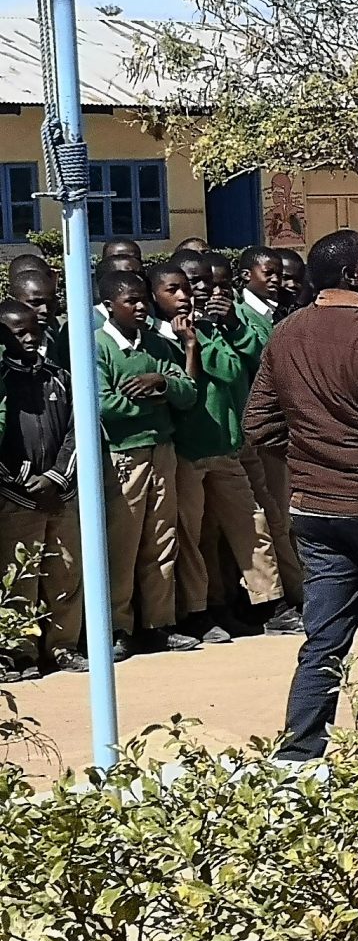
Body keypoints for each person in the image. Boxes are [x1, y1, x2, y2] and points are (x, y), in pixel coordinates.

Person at [245, 232, 358, 761]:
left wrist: (313, 459)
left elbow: (258, 425)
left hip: (314, 508)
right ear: (351, 276)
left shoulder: (287, 331)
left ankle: (300, 751)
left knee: (324, 637)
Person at [168, 258, 275, 644]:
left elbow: (238, 366)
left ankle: (271, 603)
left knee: (252, 523)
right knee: (196, 537)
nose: (196, 292)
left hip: (225, 445)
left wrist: (217, 330)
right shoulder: (163, 335)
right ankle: (202, 610)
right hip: (188, 451)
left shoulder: (213, 326)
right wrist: (191, 344)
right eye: (188, 284)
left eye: (203, 284)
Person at [95, 267, 198, 656]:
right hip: (124, 455)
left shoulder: (156, 343)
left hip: (162, 451)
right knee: (123, 544)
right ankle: (118, 627)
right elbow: (104, 405)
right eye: (131, 301)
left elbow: (186, 393)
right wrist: (157, 405)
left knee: (161, 538)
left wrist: (162, 383)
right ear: (109, 306)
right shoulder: (98, 347)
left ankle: (159, 622)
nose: (141, 307)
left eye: (143, 300)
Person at [0, 299, 79, 675]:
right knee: (20, 576)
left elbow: (78, 430)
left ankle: (63, 646)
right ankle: (21, 651)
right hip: (17, 498)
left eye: (36, 330)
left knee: (66, 570)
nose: (30, 338)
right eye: (20, 333)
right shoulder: (3, 381)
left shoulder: (59, 377)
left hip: (61, 494)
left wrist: (56, 477)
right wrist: (23, 482)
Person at [233, 248, 304, 629]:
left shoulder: (280, 312)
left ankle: (299, 588)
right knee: (271, 516)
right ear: (246, 276)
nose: (277, 280)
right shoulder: (242, 316)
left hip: (286, 429)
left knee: (285, 514)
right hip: (260, 433)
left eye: (280, 273)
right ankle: (288, 594)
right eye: (269, 273)